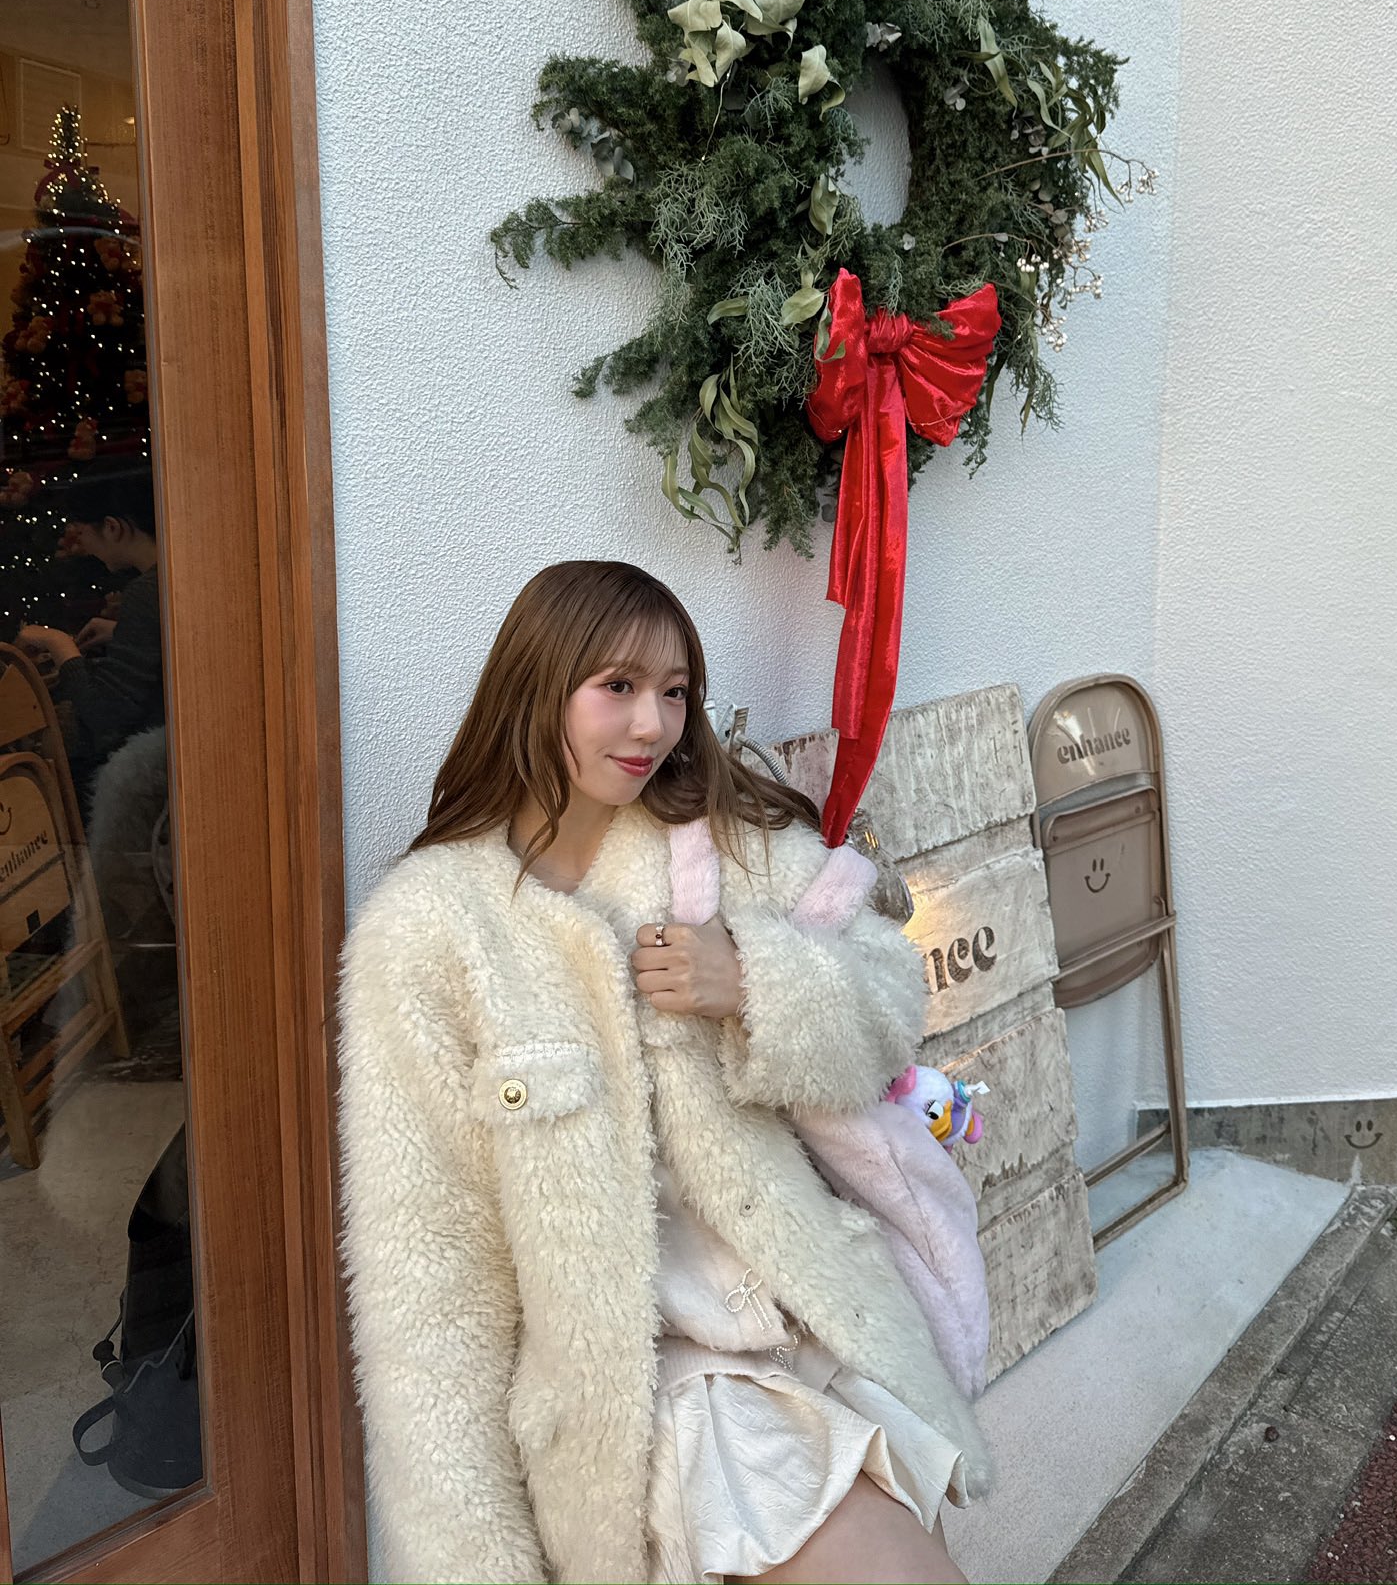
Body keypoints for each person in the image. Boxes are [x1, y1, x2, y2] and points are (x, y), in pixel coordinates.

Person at [337, 560, 990, 1585]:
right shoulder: (431, 933)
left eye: (675, 690)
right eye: (618, 686)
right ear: (536, 686)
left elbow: (889, 1000)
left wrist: (754, 981)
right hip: (662, 1396)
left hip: (820, 1321)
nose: (654, 724)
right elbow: (430, 1289)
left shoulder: (721, 843)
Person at [16, 465, 163, 796]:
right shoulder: (170, 576)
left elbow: (105, 713)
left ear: (112, 527)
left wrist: (60, 645)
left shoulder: (147, 591)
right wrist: (121, 631)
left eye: (81, 532)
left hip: (151, 771)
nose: (80, 543)